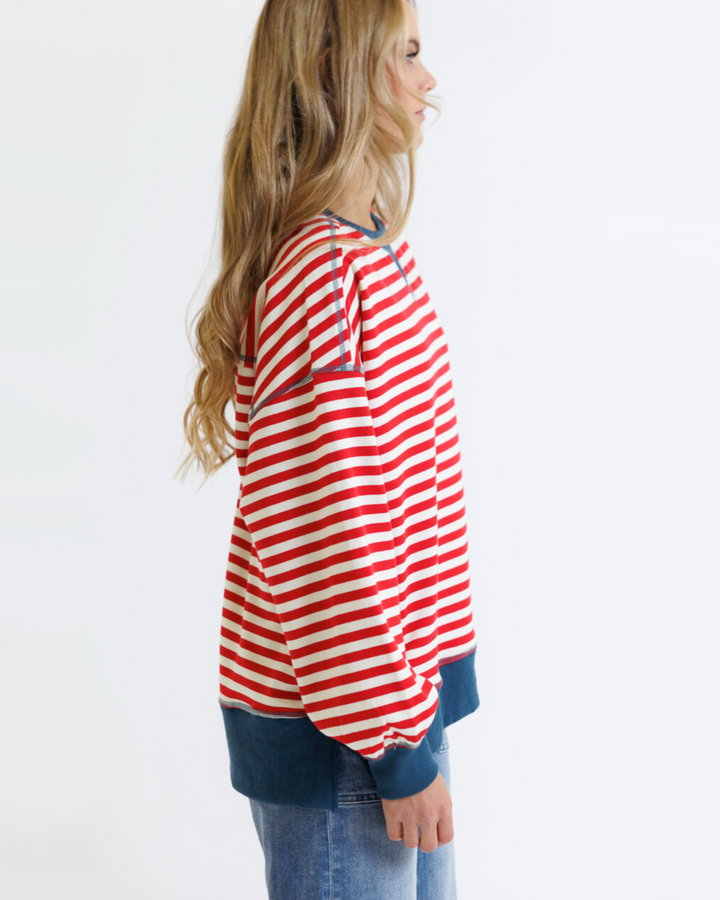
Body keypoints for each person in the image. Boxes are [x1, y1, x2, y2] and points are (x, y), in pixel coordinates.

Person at [177, 1, 480, 897]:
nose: (428, 79)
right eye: (407, 53)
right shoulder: (323, 276)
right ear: (332, 69)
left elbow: (401, 504)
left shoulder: (371, 257)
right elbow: (332, 535)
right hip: (353, 740)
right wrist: (395, 746)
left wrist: (413, 724)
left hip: (391, 709)